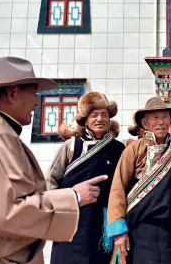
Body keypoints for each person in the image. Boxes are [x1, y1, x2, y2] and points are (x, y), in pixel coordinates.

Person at [0, 57, 107, 264]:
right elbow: (7, 213)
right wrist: (73, 198)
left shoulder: (0, 133)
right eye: (33, 93)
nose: (36, 101)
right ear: (13, 93)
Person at [107, 97, 171, 264]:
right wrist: (118, 231)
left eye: (165, 117)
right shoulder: (134, 150)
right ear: (145, 123)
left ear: (170, 121)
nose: (160, 122)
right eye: (155, 118)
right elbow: (118, 189)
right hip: (142, 232)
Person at [46, 92, 125, 264]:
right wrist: (58, 208)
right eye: (94, 115)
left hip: (102, 225)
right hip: (71, 221)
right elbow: (50, 181)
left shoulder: (119, 149)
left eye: (104, 115)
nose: (100, 119)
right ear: (85, 119)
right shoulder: (71, 146)